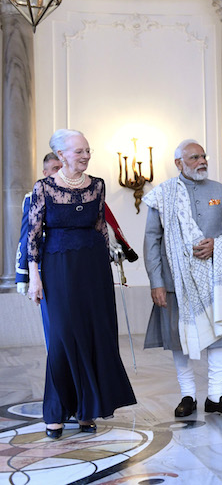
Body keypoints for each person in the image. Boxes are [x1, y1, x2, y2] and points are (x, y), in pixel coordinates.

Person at [27, 129, 136, 439]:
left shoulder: (98, 186)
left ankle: (88, 410)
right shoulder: (44, 188)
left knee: (93, 337)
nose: (86, 155)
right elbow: (32, 236)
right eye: (79, 151)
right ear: (61, 156)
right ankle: (56, 411)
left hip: (94, 268)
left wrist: (112, 260)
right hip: (58, 268)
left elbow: (101, 227)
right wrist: (34, 278)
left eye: (87, 150)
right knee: (61, 339)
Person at [143, 139, 222, 417]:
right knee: (180, 338)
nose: (202, 162)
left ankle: (216, 395)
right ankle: (187, 395)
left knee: (221, 335)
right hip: (176, 281)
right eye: (194, 158)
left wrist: (218, 244)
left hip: (215, 277)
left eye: (203, 156)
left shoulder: (218, 191)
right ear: (179, 163)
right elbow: (152, 241)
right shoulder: (163, 195)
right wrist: (156, 282)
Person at [16, 153, 62, 347]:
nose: (59, 172)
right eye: (54, 168)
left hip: (72, 263)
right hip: (46, 267)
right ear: (45, 173)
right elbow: (27, 235)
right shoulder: (33, 196)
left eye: (61, 167)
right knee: (53, 324)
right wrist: (22, 275)